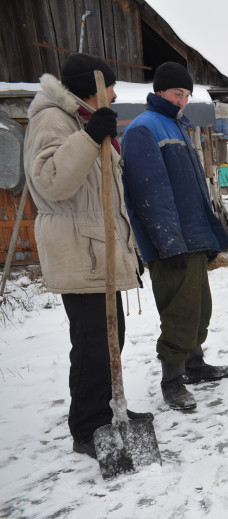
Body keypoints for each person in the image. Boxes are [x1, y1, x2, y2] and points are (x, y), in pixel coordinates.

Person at [23, 53, 152, 459]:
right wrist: (90, 137)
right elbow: (51, 182)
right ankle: (87, 427)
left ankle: (109, 407)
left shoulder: (80, 119)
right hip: (79, 252)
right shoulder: (52, 120)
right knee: (92, 343)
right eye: (109, 87)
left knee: (111, 339)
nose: (114, 94)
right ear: (91, 90)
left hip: (98, 249)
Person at [121, 62, 228, 412]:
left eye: (186, 94)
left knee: (199, 309)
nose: (183, 100)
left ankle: (195, 366)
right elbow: (150, 194)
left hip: (193, 236)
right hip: (171, 242)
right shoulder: (143, 129)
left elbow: (193, 189)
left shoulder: (177, 125)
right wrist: (168, 245)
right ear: (158, 92)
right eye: (176, 93)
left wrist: (209, 237)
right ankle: (172, 381)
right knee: (179, 312)